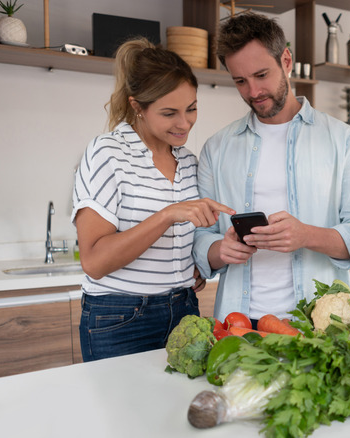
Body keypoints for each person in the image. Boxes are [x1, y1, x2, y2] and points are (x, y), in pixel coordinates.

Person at [193, 12, 350, 326]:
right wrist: (219, 249)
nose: (253, 92)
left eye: (261, 75)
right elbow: (199, 237)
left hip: (321, 324)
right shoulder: (217, 148)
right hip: (239, 324)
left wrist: (306, 235)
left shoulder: (343, 140)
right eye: (240, 81)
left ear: (287, 60)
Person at [72, 38, 234, 361]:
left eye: (192, 108)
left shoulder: (188, 162)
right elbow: (93, 260)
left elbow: (188, 244)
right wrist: (167, 215)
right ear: (137, 107)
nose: (184, 123)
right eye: (169, 113)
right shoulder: (108, 154)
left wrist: (193, 265)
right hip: (121, 319)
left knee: (177, 412)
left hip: (185, 310)